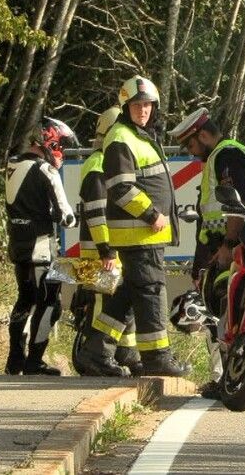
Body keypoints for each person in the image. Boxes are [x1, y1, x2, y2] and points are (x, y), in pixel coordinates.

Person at [76, 75, 190, 377]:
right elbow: (121, 187)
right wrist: (152, 215)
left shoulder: (136, 136)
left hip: (139, 236)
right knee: (151, 291)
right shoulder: (122, 137)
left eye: (148, 105)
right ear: (126, 107)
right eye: (138, 105)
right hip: (140, 234)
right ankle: (157, 357)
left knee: (125, 296)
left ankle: (96, 351)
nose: (144, 110)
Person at [168, 106, 245, 398]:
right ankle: (228, 378)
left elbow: (236, 204)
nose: (190, 152)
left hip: (235, 246)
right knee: (222, 313)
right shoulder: (220, 157)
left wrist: (228, 245)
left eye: (190, 145)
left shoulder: (227, 155)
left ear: (203, 135)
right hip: (225, 246)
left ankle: (228, 379)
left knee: (225, 313)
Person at [4, 117, 79, 375]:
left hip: (18, 244)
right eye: (62, 146)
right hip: (41, 248)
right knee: (50, 303)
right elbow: (65, 216)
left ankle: (15, 359)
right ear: (51, 142)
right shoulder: (46, 170)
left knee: (24, 300)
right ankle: (34, 361)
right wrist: (74, 218)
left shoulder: (12, 164)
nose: (62, 152)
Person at [72, 106, 140, 377]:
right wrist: (107, 250)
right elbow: (97, 212)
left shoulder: (102, 162)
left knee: (120, 301)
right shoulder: (100, 164)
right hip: (100, 254)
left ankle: (126, 353)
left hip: (104, 252)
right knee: (105, 304)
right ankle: (98, 358)